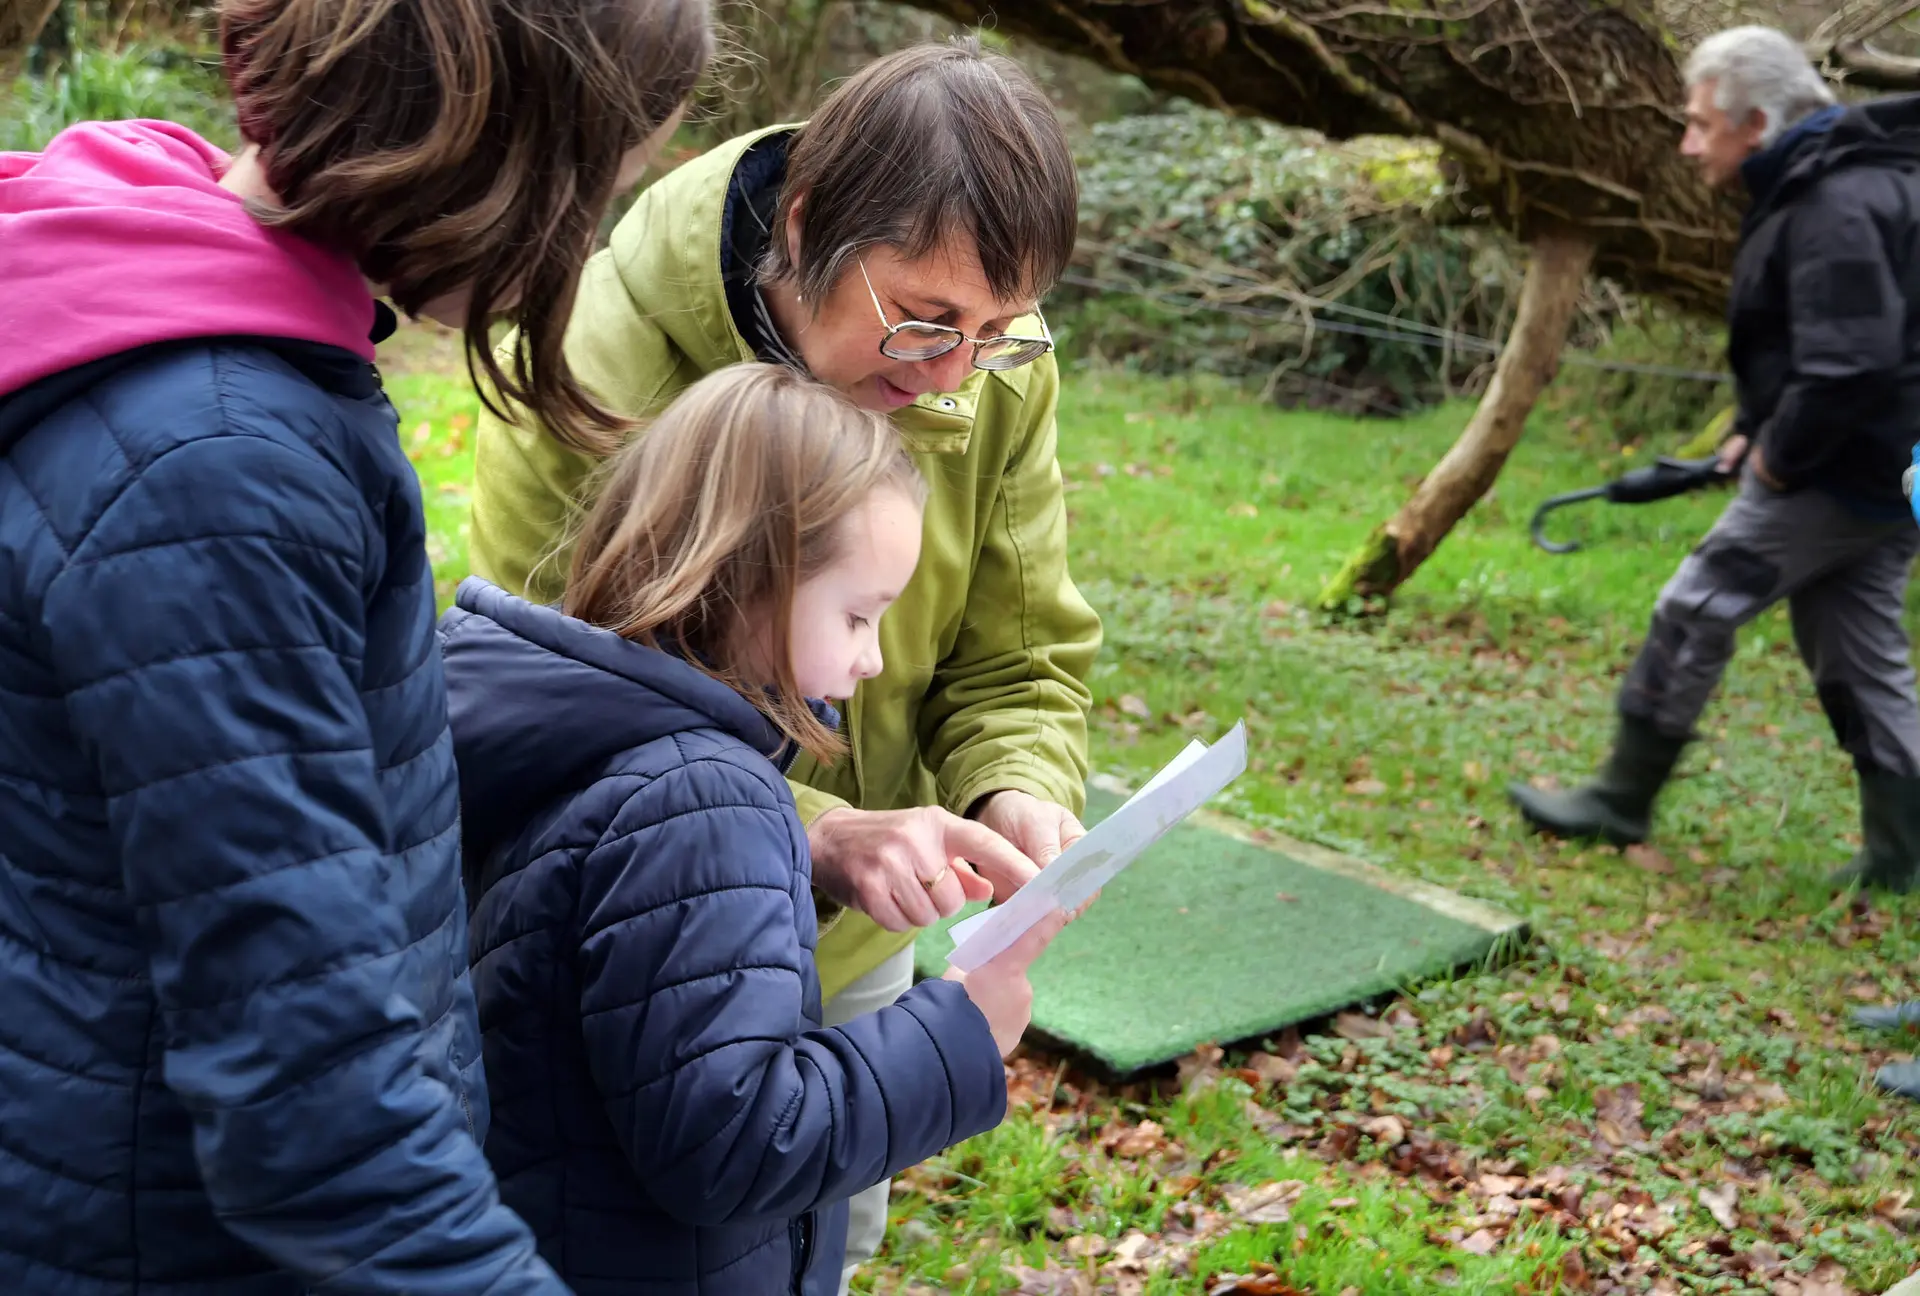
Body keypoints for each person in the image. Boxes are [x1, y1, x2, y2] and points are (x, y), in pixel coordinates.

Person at [0, 0, 710, 1290]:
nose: (589, 236)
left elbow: (280, 767)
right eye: (601, 182)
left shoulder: (157, 259)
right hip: (163, 1239)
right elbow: (309, 1100)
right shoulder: (215, 461)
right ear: (499, 148)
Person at [467, 36, 1102, 1286]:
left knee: (820, 1236)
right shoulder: (594, 355)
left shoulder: (977, 367)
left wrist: (1012, 790)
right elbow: (547, 702)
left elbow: (1017, 656)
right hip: (610, 956)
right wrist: (814, 830)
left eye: (995, 333)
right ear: (807, 226)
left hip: (870, 945)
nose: (952, 377)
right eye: (925, 323)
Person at [446, 362, 1066, 1295]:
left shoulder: (581, 735)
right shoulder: (702, 802)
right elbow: (734, 1144)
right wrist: (962, 1033)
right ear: (743, 577)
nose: (875, 657)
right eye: (857, 615)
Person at [1509, 25, 1920, 896]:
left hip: (1839, 468)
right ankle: (1901, 857)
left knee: (1697, 604)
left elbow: (1853, 363)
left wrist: (1777, 457)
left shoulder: (1835, 201)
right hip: (1889, 467)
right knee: (1857, 654)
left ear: (1758, 122)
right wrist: (1750, 422)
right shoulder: (1847, 179)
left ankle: (1620, 798)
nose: (1688, 144)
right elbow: (1811, 341)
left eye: (1700, 124)